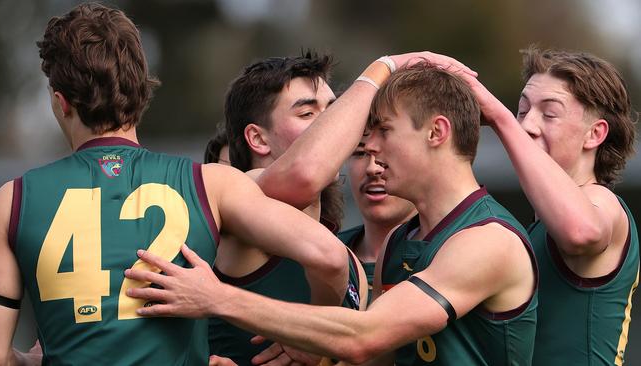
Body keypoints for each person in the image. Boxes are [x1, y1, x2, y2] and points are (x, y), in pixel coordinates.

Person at [0, 3, 349, 365]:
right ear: (141, 91)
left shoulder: (13, 200)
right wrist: (311, 334)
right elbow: (331, 258)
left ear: (60, 102)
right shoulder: (211, 184)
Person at [125, 61, 539, 365]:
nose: (366, 144)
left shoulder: (490, 240)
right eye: (309, 113)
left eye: (383, 130)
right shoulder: (400, 241)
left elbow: (366, 336)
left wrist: (217, 298)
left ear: (437, 133)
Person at [456, 47, 639, 365]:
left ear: (595, 134)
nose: (527, 125)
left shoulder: (603, 202)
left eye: (549, 113)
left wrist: (500, 118)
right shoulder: (536, 227)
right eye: (522, 111)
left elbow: (581, 231)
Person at [209, 52, 365, 365]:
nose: (333, 126)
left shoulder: (351, 261)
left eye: (334, 112)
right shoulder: (239, 195)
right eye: (308, 113)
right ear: (257, 138)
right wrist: (383, 69)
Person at [338, 139, 416, 304]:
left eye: (389, 150)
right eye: (360, 153)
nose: (372, 168)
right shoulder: (318, 253)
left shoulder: (450, 250)